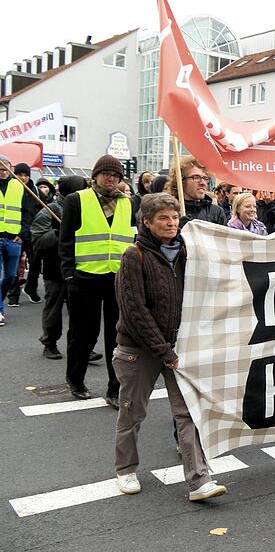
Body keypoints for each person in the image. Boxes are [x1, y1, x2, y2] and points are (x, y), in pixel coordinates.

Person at [113, 193, 227, 502]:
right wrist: (165, 352)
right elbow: (135, 311)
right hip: (139, 351)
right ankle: (125, 469)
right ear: (147, 222)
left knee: (188, 413)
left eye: (174, 217)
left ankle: (199, 480)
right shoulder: (134, 256)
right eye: (163, 218)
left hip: (177, 348)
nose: (171, 223)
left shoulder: (186, 254)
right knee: (132, 412)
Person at [59, 154, 137, 404]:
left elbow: (133, 239)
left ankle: (115, 388)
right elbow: (66, 240)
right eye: (106, 174)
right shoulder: (76, 200)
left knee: (117, 337)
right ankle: (75, 379)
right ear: (95, 176)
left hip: (118, 278)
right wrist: (69, 274)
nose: (111, 179)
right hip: (84, 278)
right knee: (83, 334)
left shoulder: (128, 203)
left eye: (116, 176)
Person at [31, 175, 86, 358]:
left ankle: (82, 345)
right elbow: (38, 240)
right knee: (53, 309)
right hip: (55, 268)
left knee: (79, 311)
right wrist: (59, 232)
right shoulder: (50, 210)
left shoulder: (84, 209)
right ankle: (50, 342)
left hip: (78, 266)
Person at [0, 158, 35, 326]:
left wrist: (22, 233)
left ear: (10, 169)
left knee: (10, 276)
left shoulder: (18, 186)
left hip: (14, 239)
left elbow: (28, 213)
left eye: (6, 169)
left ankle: (1, 299)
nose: (3, 172)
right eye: (0, 169)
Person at [164, 157, 228, 228]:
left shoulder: (216, 212)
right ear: (181, 181)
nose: (203, 183)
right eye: (196, 177)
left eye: (205, 178)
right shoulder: (167, 209)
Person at [22, 177, 56, 304]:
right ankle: (30, 288)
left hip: (49, 235)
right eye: (40, 187)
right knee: (34, 263)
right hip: (36, 234)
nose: (43, 189)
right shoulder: (33, 198)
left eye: (45, 187)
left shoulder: (53, 201)